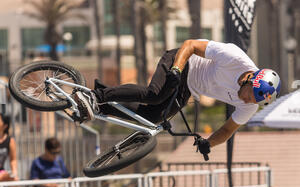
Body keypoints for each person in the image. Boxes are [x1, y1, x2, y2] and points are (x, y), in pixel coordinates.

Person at [74, 39, 281, 156]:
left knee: (153, 118)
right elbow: (190, 45)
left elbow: (227, 130)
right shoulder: (234, 57)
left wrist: (209, 143)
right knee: (155, 95)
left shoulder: (250, 106)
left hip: (189, 87)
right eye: (250, 96)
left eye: (255, 102)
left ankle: (101, 107)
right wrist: (175, 69)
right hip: (182, 61)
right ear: (250, 79)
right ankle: (94, 95)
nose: (247, 102)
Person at [0, 113, 19, 187]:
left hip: (2, 172)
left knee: (14, 179)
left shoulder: (10, 141)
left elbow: (13, 160)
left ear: (5, 126)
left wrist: (14, 173)